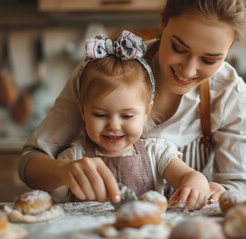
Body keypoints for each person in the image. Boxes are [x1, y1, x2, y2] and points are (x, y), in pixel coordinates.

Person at [18, 0, 246, 206]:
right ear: (162, 22)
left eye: (209, 60)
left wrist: (221, 192)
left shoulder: (229, 92)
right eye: (179, 48)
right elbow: (30, 162)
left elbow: (245, 185)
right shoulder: (103, 71)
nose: (188, 70)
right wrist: (62, 171)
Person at [50, 31, 210, 210]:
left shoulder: (156, 153)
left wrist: (196, 184)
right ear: (82, 111)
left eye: (126, 116)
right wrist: (62, 175)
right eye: (100, 115)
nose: (114, 126)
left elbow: (189, 176)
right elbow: (52, 199)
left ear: (146, 112)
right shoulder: (74, 159)